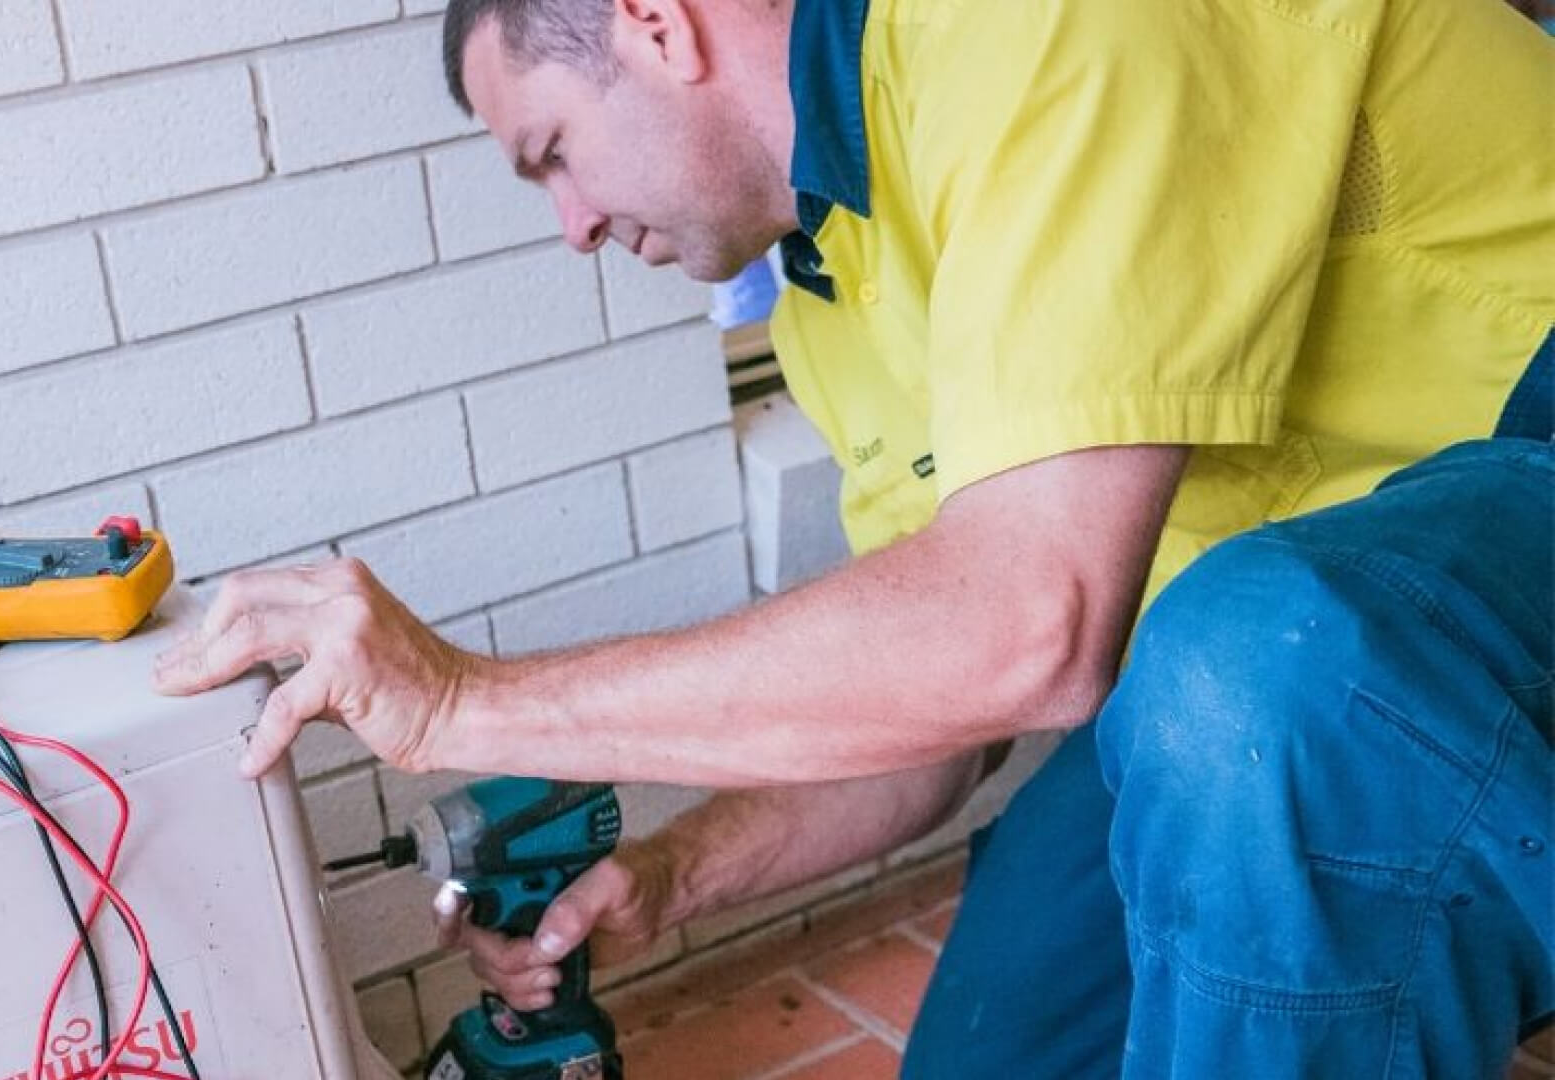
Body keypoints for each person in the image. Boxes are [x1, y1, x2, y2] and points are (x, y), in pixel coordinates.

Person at [153, 0, 1554, 1072]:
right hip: (1297, 624)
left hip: (1488, 481)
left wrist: (459, 699)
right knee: (1003, 1030)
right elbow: (945, 703)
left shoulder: (1033, 27)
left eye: (551, 155)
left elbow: (1030, 628)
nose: (571, 225)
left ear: (655, 18)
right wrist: (669, 875)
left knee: (1253, 677)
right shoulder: (837, 292)